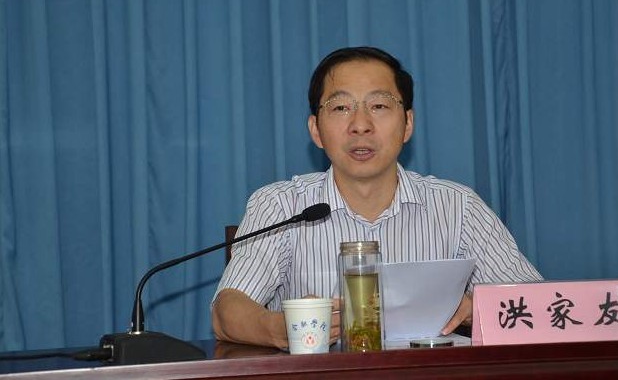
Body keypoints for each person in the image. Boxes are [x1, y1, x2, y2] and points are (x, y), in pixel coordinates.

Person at [211, 46, 542, 349]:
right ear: (316, 130)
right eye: (341, 107)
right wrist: (275, 328)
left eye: (379, 106)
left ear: (407, 123)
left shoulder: (458, 207)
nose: (361, 125)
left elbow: (538, 304)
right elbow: (227, 311)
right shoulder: (281, 206)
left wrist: (477, 307)